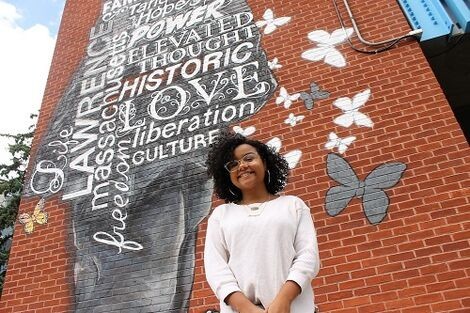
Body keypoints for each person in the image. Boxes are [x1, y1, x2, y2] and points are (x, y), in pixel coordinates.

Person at [204, 131, 321, 313]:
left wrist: (284, 300)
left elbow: (308, 257)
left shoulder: (293, 206)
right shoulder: (221, 215)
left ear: (265, 163)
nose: (242, 166)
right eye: (233, 164)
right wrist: (247, 308)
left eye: (249, 158)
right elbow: (215, 268)